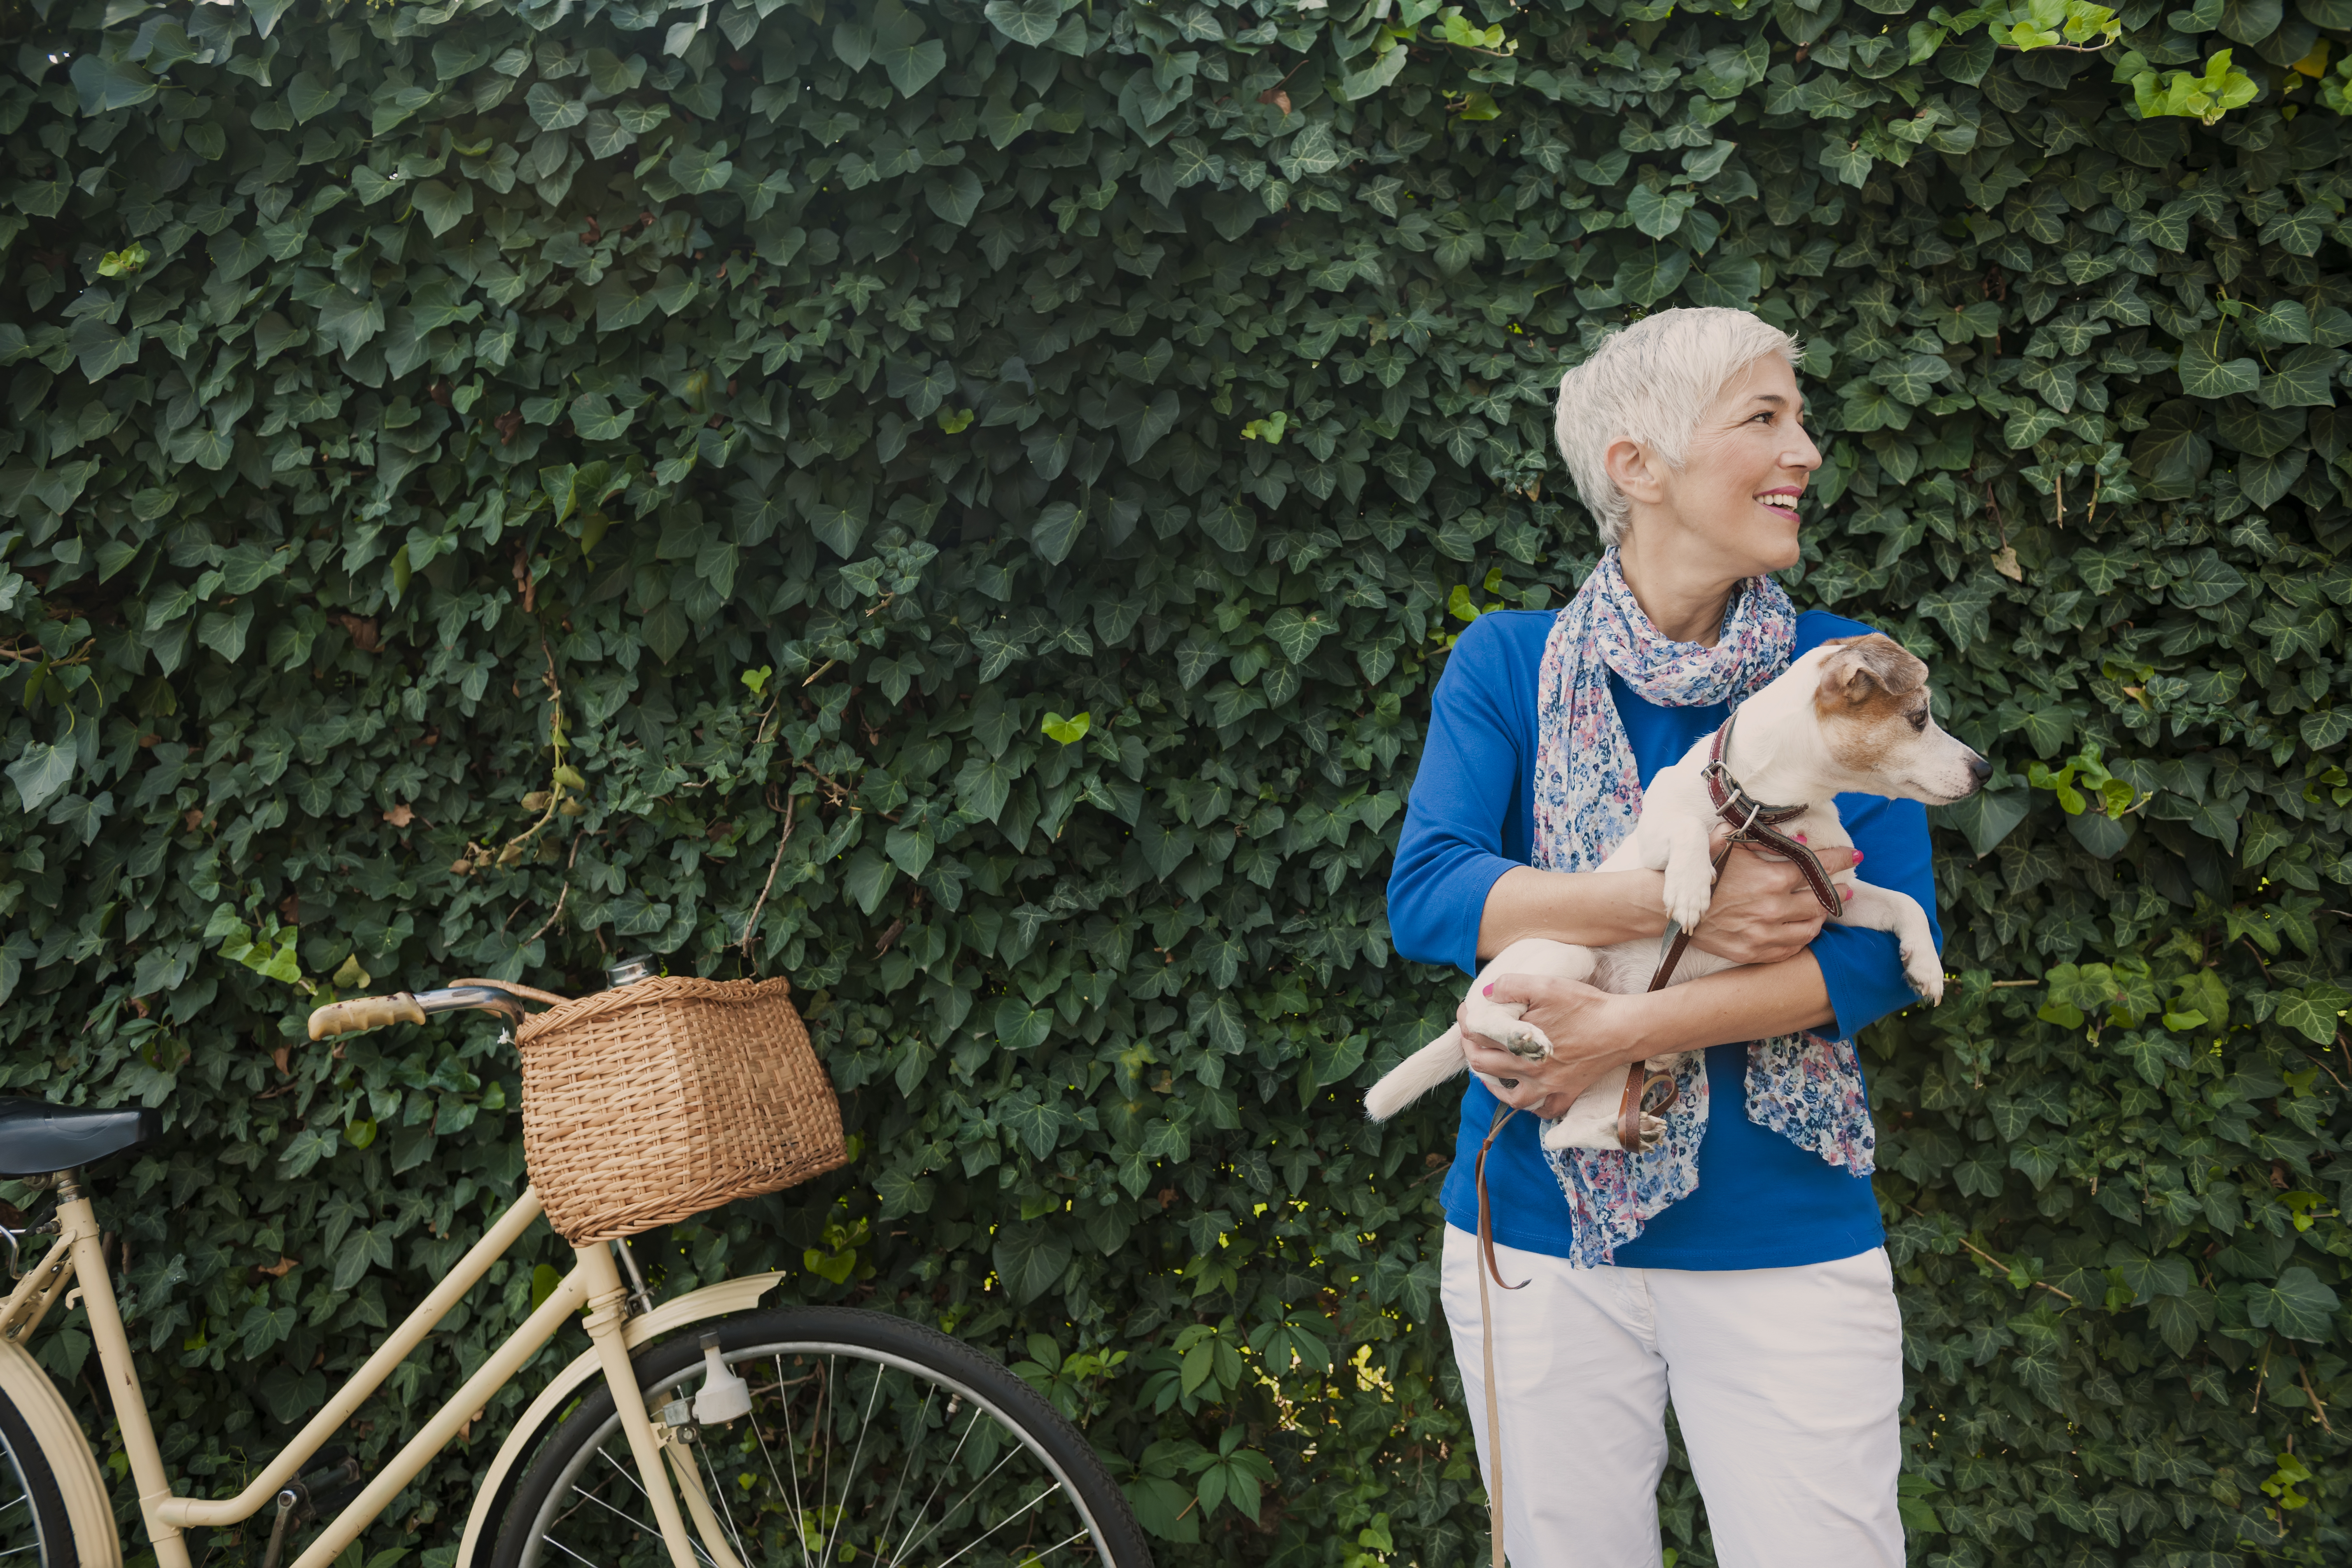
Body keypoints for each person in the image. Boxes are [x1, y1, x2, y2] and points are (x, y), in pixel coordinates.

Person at [1386, 307, 1932, 1567]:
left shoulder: (1836, 670)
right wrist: (1662, 905)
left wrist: (1620, 1029)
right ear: (1638, 465)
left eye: (1799, 415)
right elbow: (1432, 891)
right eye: (1764, 417)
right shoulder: (1509, 663)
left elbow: (1867, 960)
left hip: (1784, 1235)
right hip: (1535, 1227)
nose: (1807, 447)